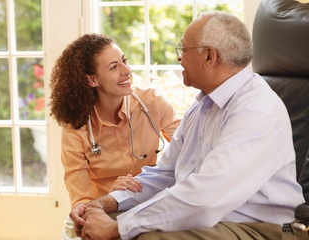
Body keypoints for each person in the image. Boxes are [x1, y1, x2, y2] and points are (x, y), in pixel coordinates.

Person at [69, 12, 307, 240]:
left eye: (183, 49)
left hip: (268, 229)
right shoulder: (203, 104)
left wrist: (119, 227)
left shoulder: (255, 112)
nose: (178, 57)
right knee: (100, 226)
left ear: (209, 57)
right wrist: (105, 202)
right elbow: (166, 174)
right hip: (218, 220)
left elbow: (204, 197)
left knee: (146, 235)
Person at [49, 33, 180, 238]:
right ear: (92, 79)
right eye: (114, 67)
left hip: (151, 204)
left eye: (124, 61)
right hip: (104, 210)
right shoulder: (76, 126)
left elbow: (191, 150)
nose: (127, 71)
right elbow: (81, 199)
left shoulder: (153, 104)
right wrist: (111, 194)